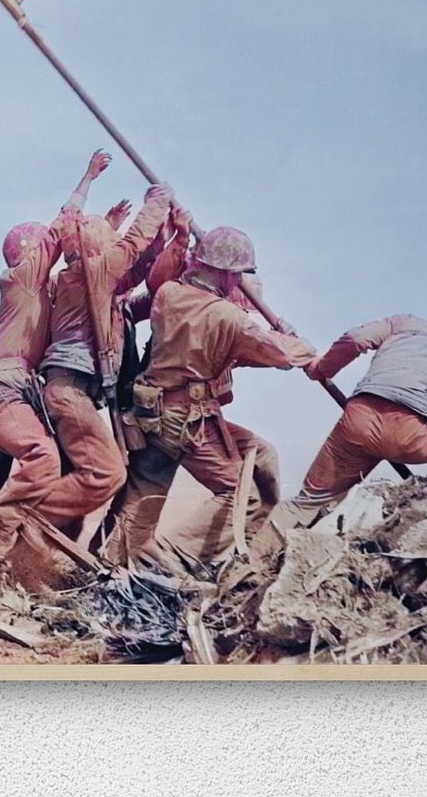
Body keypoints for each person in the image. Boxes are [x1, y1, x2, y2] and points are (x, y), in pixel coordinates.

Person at [106, 225, 316, 568]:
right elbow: (281, 354)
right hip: (186, 421)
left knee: (146, 493)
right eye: (237, 274)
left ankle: (113, 563)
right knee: (242, 495)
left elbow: (228, 350)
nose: (239, 281)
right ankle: (166, 561)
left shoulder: (169, 294)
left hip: (151, 412)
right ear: (224, 272)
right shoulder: (227, 317)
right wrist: (297, 342)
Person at [0, 152, 107, 563]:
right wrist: (87, 179)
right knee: (42, 458)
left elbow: (86, 260)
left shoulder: (34, 292)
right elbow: (61, 227)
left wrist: (110, 227)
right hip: (3, 390)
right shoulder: (23, 279)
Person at [32, 179, 188, 536]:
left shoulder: (95, 286)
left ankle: (42, 544)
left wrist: (168, 239)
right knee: (107, 472)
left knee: (80, 477)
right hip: (69, 391)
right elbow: (132, 247)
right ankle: (16, 522)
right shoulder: (90, 274)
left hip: (74, 392)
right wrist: (157, 201)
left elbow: (138, 271)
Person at [293, 306, 427, 504]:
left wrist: (322, 368)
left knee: (307, 501)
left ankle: (285, 520)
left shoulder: (405, 323)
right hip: (409, 435)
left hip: (358, 421)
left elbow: (356, 339)